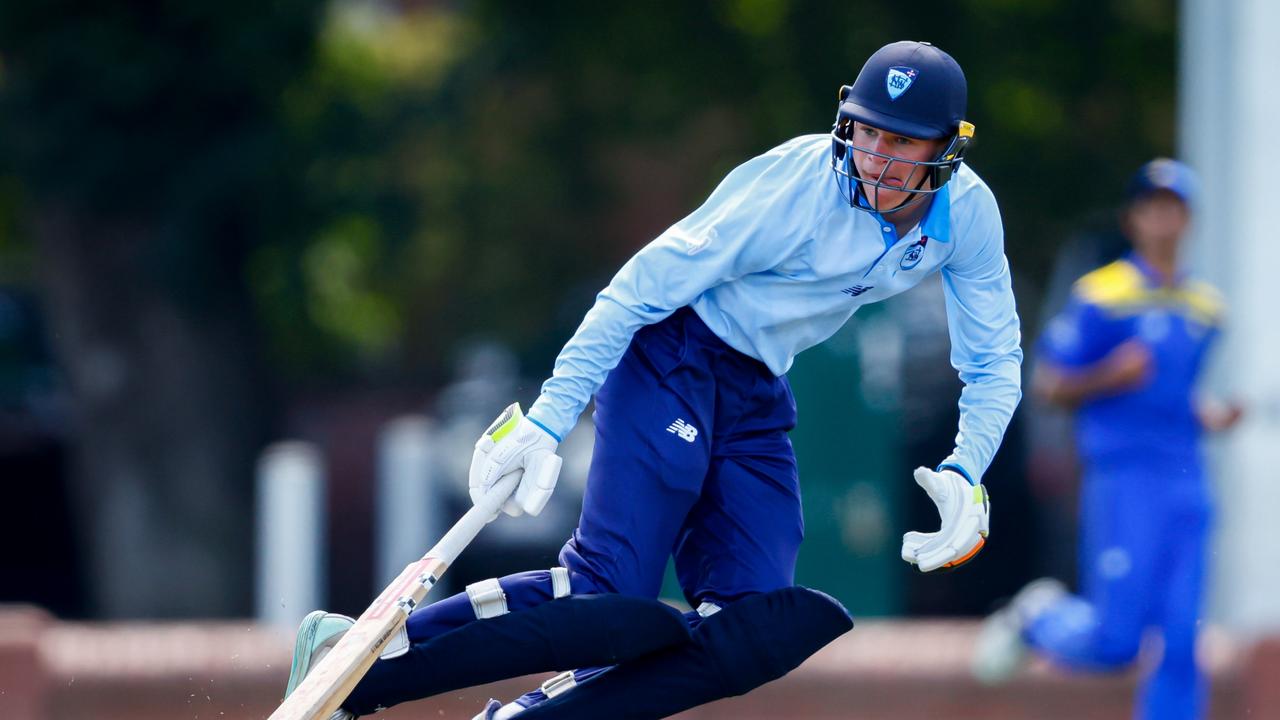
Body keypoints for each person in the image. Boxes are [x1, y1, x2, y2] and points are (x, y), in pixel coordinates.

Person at [287, 40, 1022, 720]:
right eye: (864, 131)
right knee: (607, 592)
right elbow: (637, 288)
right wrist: (547, 418)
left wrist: (968, 467)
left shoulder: (969, 217)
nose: (873, 157)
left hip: (756, 392)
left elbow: (994, 361)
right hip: (671, 353)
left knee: (749, 626)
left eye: (899, 141)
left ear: (947, 150)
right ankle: (363, 662)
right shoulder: (793, 190)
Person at [971, 158, 1242, 720]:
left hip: (1187, 478)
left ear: (1188, 219)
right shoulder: (1102, 295)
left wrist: (1207, 415)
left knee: (1181, 635)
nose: (1163, 219)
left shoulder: (1206, 308)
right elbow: (1048, 385)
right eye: (1152, 207)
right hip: (1125, 478)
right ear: (1133, 218)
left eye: (1174, 208)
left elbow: (1171, 395)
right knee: (1116, 642)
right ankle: (1039, 619)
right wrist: (1108, 376)